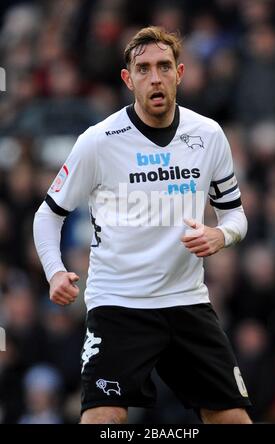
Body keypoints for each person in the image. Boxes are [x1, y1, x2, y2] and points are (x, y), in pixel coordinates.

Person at [33, 26, 252, 424]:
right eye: (144, 68)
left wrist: (221, 234)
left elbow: (235, 215)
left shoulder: (208, 135)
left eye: (164, 67)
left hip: (186, 300)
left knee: (232, 418)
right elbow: (48, 213)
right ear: (127, 78)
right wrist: (54, 271)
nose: (155, 77)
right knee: (103, 418)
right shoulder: (98, 141)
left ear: (180, 73)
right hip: (119, 304)